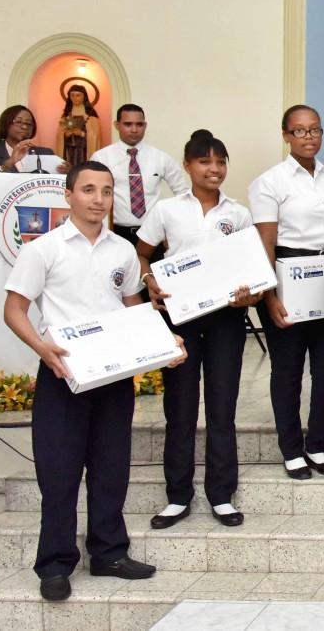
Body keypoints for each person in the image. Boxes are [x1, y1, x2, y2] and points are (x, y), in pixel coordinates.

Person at [3, 161, 185, 601]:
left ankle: (108, 553)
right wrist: (42, 349)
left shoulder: (122, 250)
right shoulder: (43, 249)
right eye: (88, 190)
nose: (98, 199)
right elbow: (14, 309)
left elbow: (133, 309)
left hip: (113, 376)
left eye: (106, 191)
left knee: (110, 469)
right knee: (60, 474)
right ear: (68, 195)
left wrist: (163, 342)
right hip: (63, 375)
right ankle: (55, 564)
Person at [137, 130, 261, 530]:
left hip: (226, 317)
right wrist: (148, 280)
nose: (214, 169)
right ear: (187, 165)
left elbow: (252, 271)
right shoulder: (166, 210)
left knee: (222, 406)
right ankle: (177, 496)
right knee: (181, 406)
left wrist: (249, 297)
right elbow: (142, 253)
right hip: (181, 319)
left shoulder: (237, 213)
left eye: (221, 162)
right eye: (205, 161)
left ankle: (221, 495)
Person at [248, 105, 324, 480]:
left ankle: (318, 444)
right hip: (287, 279)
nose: (308, 137)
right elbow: (265, 243)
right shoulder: (269, 182)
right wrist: (269, 296)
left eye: (315, 130)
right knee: (288, 370)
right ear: (286, 135)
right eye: (300, 131)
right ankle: (291, 448)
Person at [90, 104, 189, 247]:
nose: (134, 130)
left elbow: (183, 194)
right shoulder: (101, 158)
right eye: (128, 124)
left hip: (153, 235)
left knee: (149, 270)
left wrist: (173, 228)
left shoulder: (161, 158)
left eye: (139, 124)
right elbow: (91, 195)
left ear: (145, 126)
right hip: (113, 233)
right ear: (117, 125)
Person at [0, 105, 63, 173]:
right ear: (5, 124)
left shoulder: (46, 153)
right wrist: (8, 164)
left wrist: (68, 173)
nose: (24, 127)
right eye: (18, 122)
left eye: (28, 123)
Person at [56, 83, 100, 166]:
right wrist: (65, 134)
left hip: (84, 151)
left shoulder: (90, 114)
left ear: (84, 96)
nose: (75, 98)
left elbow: (95, 135)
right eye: (72, 95)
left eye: (78, 95)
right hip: (69, 150)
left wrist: (82, 133)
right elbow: (59, 134)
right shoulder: (66, 114)